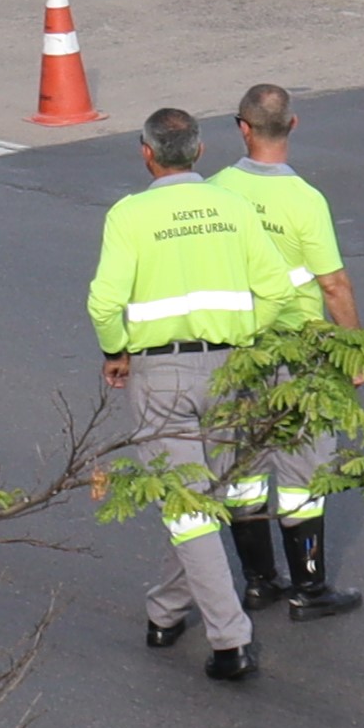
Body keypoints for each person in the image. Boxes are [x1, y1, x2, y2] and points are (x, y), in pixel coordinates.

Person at [89, 104, 283, 684]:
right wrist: (243, 337)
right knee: (207, 502)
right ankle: (166, 610)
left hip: (160, 375)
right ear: (200, 151)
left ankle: (230, 639)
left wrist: (115, 351)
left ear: (146, 154)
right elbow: (273, 289)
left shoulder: (130, 215)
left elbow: (104, 303)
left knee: (189, 507)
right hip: (229, 371)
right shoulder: (233, 205)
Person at [213, 82, 361, 620]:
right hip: (299, 353)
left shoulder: (217, 191)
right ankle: (310, 588)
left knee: (245, 466)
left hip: (238, 351)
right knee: (302, 471)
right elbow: (334, 285)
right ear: (293, 125)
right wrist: (356, 354)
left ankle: (258, 581)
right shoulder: (305, 200)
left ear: (242, 127)